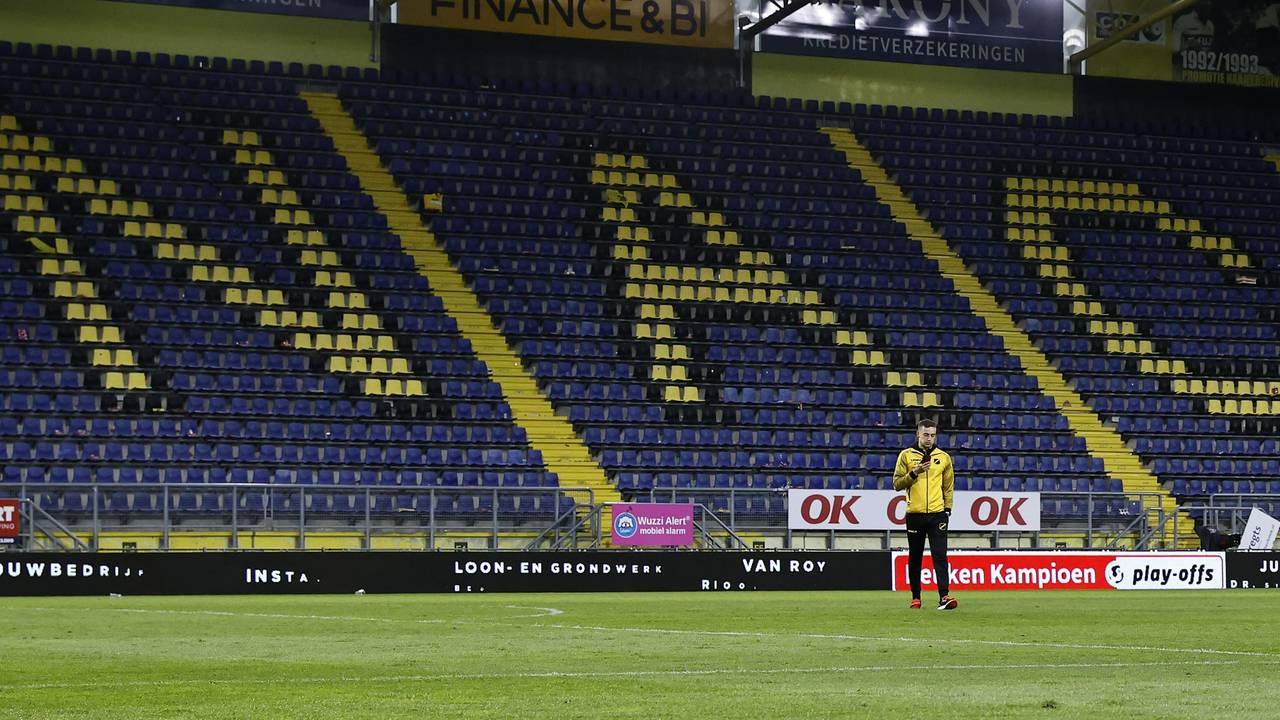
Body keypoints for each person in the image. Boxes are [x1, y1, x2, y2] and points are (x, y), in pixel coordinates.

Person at [893, 418, 958, 610]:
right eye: (926, 435)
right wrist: (915, 472)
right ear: (918, 435)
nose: (929, 438)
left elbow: (948, 486)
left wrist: (947, 508)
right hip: (915, 514)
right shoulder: (906, 455)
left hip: (938, 514)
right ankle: (916, 597)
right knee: (915, 556)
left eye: (932, 435)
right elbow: (897, 484)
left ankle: (944, 597)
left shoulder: (943, 457)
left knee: (940, 556)